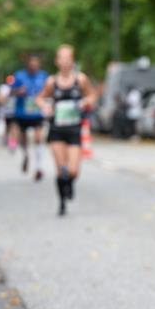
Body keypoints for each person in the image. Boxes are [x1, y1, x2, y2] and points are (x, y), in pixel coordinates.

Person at [37, 44, 96, 215]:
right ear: (57, 61)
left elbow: (92, 95)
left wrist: (86, 102)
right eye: (61, 58)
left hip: (74, 129)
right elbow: (40, 98)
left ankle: (70, 184)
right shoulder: (51, 82)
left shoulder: (81, 80)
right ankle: (62, 202)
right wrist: (45, 107)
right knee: (60, 169)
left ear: (72, 60)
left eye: (68, 58)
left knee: (73, 170)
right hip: (57, 129)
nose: (65, 62)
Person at [11, 54, 49, 181]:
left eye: (36, 63)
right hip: (21, 112)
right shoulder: (19, 75)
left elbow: (49, 90)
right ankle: (26, 155)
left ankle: (39, 167)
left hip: (37, 113)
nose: (34, 65)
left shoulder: (43, 76)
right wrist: (18, 91)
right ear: (27, 64)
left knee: (39, 137)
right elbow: (10, 92)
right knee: (24, 139)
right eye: (31, 63)